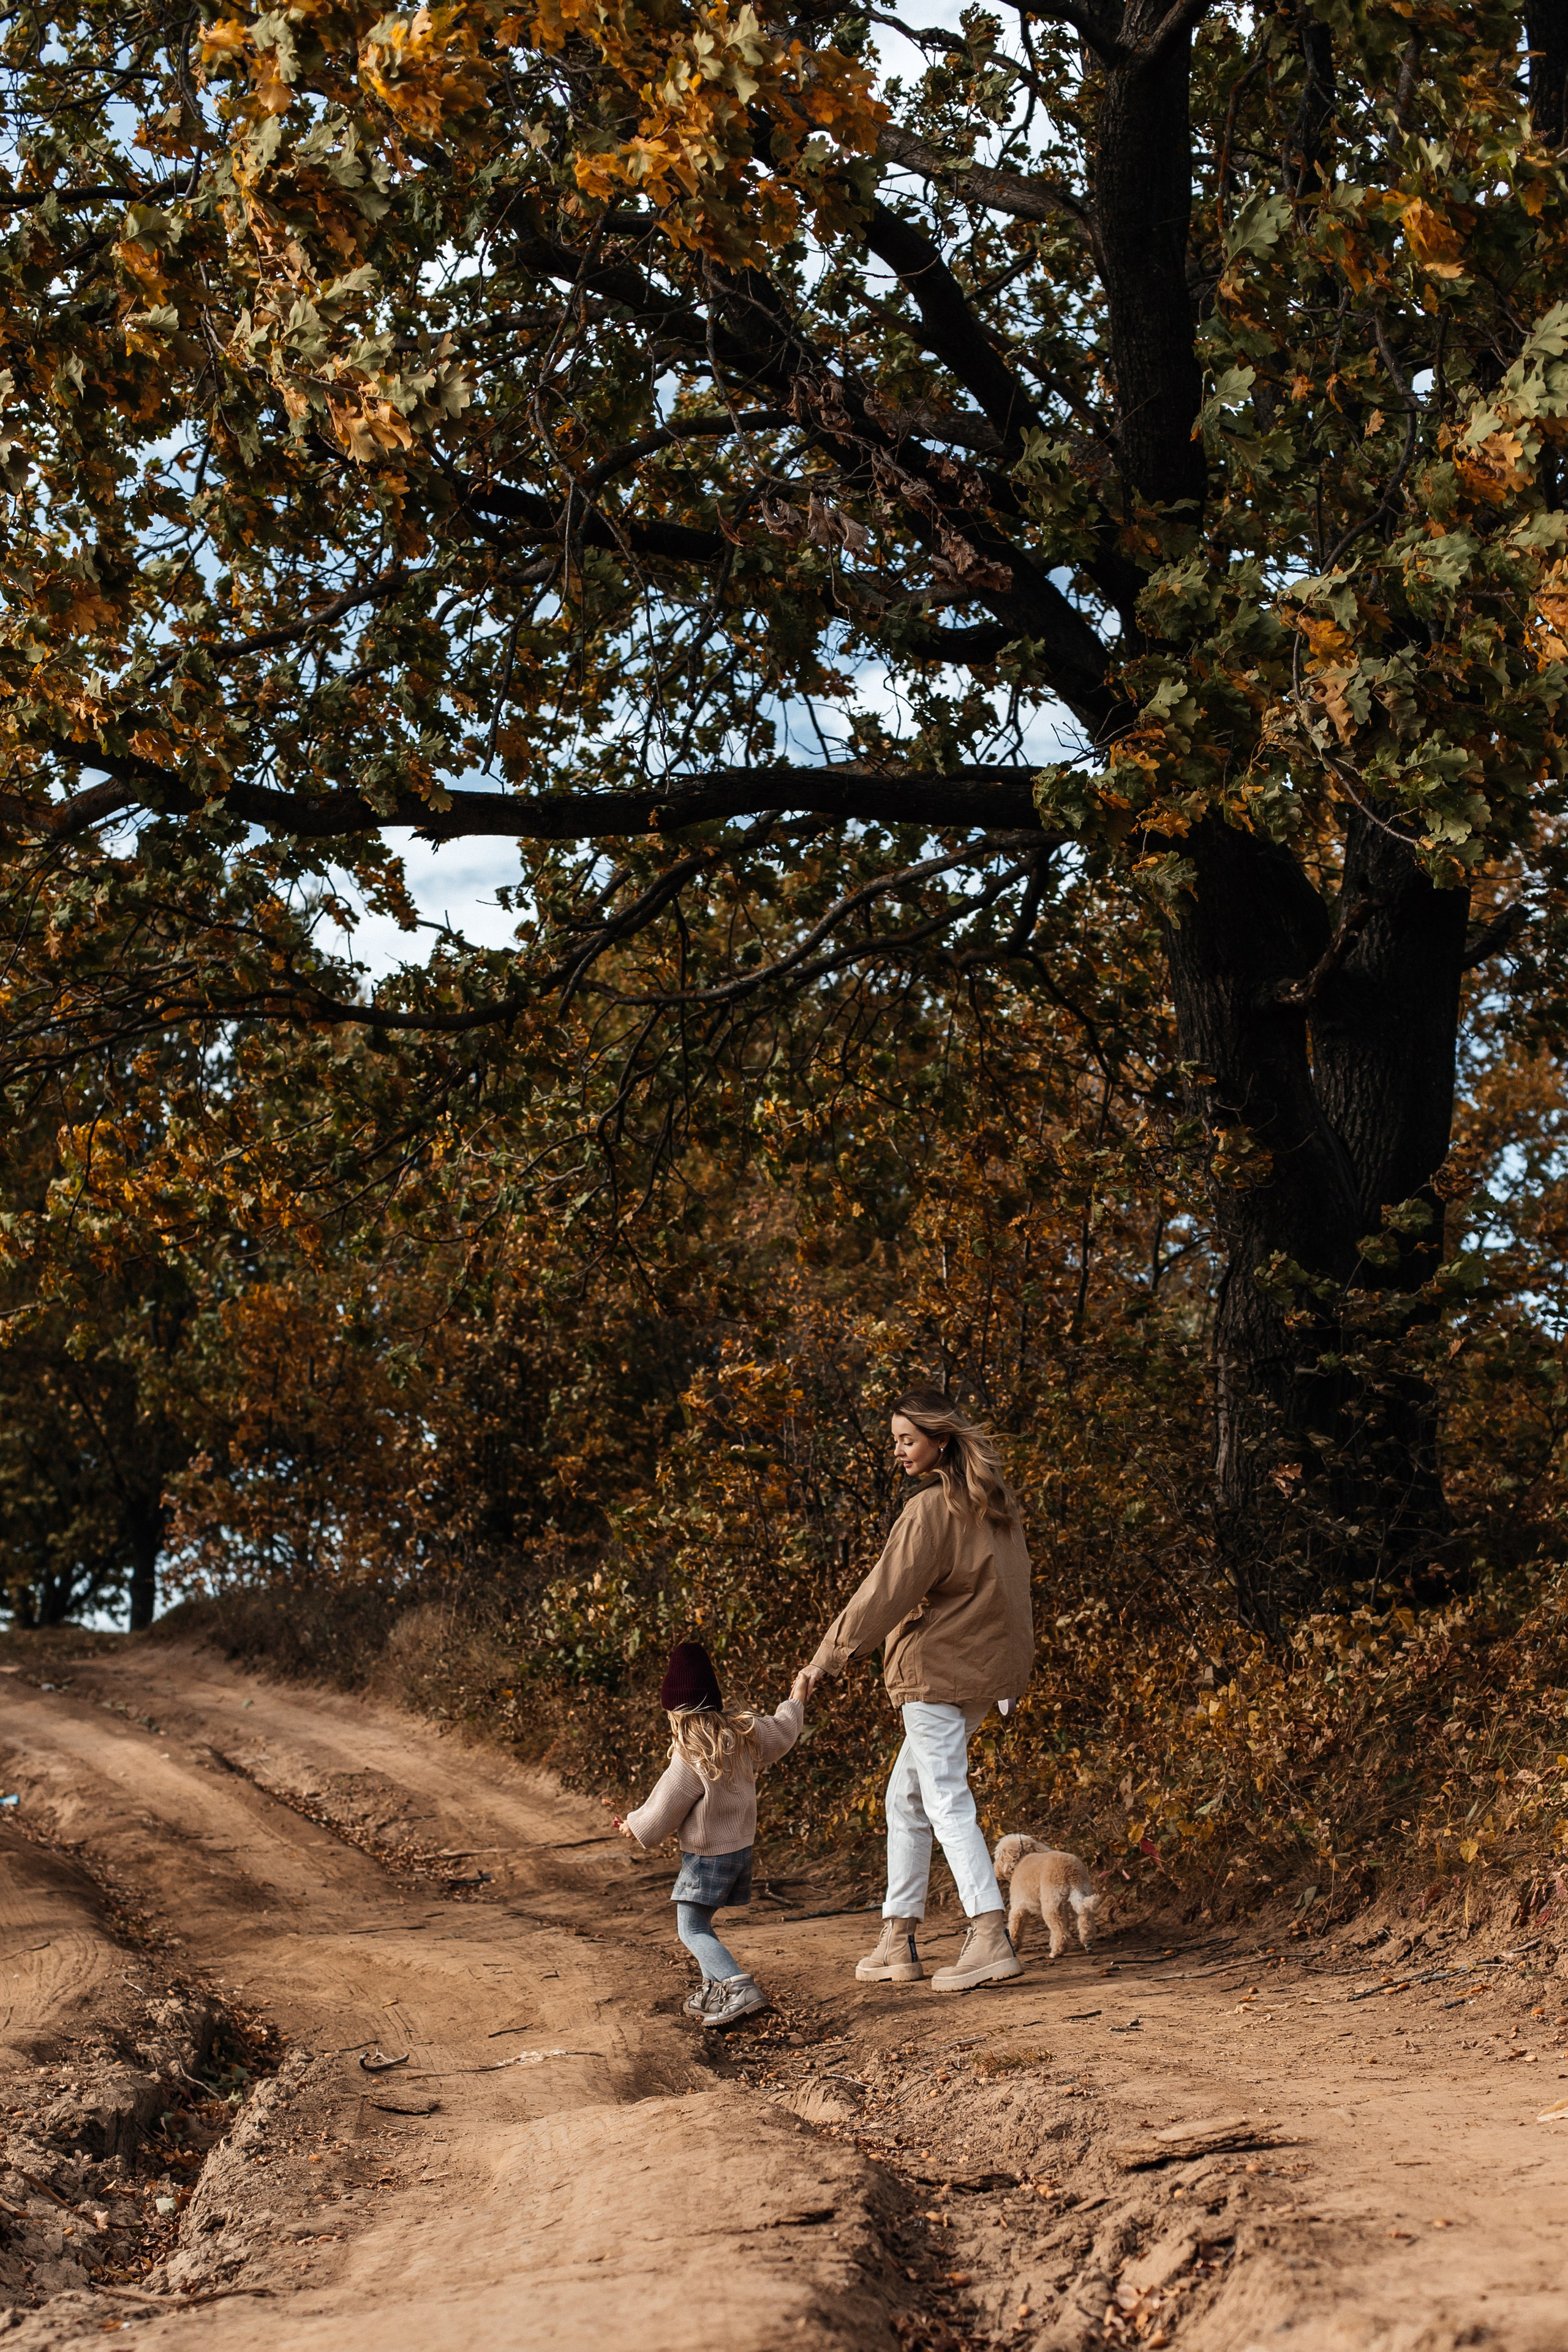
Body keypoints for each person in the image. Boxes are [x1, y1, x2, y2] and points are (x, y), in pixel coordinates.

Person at [798, 1388, 1035, 1992]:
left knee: (944, 1800)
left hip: (936, 1674)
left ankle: (988, 1935)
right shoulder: (996, 1507)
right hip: (982, 1676)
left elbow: (885, 1591)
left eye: (907, 1439)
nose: (899, 1451)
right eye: (897, 1440)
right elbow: (1014, 1600)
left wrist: (828, 1658)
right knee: (905, 1799)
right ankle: (897, 1938)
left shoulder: (931, 1510)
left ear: (941, 1441)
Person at [615, 1640, 811, 2030]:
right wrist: (797, 1697)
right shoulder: (744, 1734)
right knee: (701, 1923)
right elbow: (786, 1731)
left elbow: (664, 1809)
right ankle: (712, 1990)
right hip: (739, 1851)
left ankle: (738, 1987)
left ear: (677, 1713)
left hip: (707, 1858)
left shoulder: (690, 1758)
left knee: (691, 1928)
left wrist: (632, 1825)